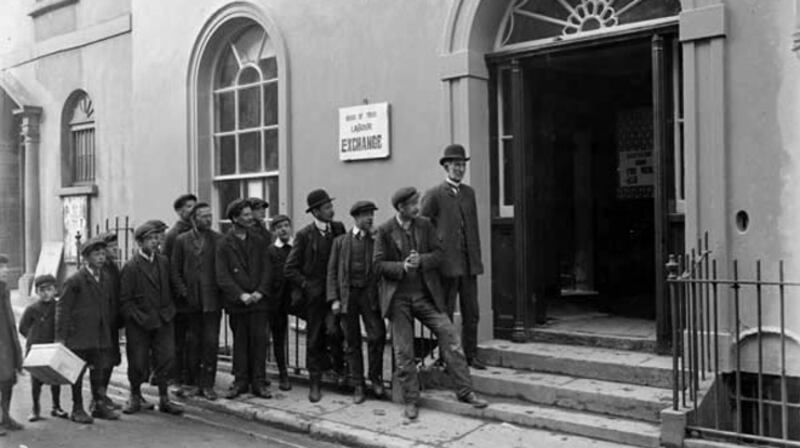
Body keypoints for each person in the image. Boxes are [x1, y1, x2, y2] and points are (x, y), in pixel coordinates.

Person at [374, 187, 488, 420]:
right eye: (413, 204)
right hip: (399, 300)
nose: (417, 207)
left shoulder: (425, 225)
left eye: (417, 203)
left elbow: (440, 254)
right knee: (404, 352)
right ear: (401, 208)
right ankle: (411, 400)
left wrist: (422, 261)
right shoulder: (385, 230)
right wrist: (402, 267)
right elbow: (377, 265)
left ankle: (465, 392)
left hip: (425, 296)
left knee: (450, 337)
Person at [420, 144, 486, 369]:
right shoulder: (435, 194)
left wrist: (476, 258)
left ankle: (471, 355)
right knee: (445, 312)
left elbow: (472, 227)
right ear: (446, 166)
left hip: (469, 263)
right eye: (456, 165)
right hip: (447, 265)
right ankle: (446, 357)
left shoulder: (469, 193)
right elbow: (423, 225)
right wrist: (434, 251)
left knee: (472, 312)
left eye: (462, 165)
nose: (460, 169)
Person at [285, 189, 346, 402]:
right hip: (314, 298)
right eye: (327, 208)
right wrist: (306, 285)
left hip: (335, 294)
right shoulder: (304, 235)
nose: (332, 211)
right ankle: (315, 384)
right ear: (316, 212)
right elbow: (290, 268)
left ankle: (339, 370)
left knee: (335, 331)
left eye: (331, 206)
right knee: (314, 339)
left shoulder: (339, 229)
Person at [119, 222, 183, 415]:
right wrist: (140, 318)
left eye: (157, 238)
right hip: (140, 323)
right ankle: (135, 396)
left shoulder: (164, 261)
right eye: (151, 239)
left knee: (166, 359)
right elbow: (125, 300)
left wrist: (170, 310)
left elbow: (173, 287)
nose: (155, 242)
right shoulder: (131, 267)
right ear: (140, 242)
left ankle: (164, 398)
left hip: (163, 319)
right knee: (137, 361)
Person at [327, 201, 386, 404]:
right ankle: (358, 383)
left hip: (369, 295)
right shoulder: (341, 242)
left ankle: (375, 378)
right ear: (355, 218)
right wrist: (334, 298)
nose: (370, 218)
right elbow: (332, 272)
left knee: (377, 335)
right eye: (365, 215)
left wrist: (378, 239)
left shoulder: (376, 240)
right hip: (348, 295)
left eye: (371, 214)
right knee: (351, 341)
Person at [56, 238, 120, 423]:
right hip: (80, 335)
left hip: (100, 334)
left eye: (103, 254)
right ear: (86, 258)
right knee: (77, 372)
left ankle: (98, 405)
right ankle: (77, 408)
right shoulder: (75, 280)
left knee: (99, 371)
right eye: (96, 254)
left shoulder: (106, 278)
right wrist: (60, 338)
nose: (101, 258)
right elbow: (63, 309)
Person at [215, 199, 272, 399]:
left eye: (250, 214)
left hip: (259, 302)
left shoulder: (259, 240)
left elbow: (267, 268)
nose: (250, 218)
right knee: (240, 343)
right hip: (238, 304)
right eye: (246, 215)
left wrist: (260, 292)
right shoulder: (223, 243)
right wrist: (241, 295)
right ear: (235, 218)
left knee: (259, 341)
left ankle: (258, 382)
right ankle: (240, 382)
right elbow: (222, 276)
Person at [170, 202, 223, 400]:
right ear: (194, 219)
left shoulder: (218, 239)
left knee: (211, 343)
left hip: (212, 302)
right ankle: (191, 382)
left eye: (210, 216)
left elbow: (223, 270)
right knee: (192, 343)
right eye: (203, 216)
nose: (208, 220)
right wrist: (183, 292)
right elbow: (174, 270)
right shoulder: (181, 240)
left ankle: (207, 384)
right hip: (190, 303)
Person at [18, 274, 68, 422]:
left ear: (55, 290)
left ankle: (56, 406)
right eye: (42, 290)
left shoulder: (59, 307)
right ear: (37, 292)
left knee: (55, 378)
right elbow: (23, 328)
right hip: (36, 349)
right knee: (36, 380)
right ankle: (35, 409)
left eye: (49, 289)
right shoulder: (32, 309)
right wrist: (33, 340)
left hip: (53, 347)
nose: (46, 293)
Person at [164, 194, 197, 394]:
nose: (193, 210)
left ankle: (191, 374)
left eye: (195, 206)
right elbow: (170, 266)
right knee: (180, 338)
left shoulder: (197, 231)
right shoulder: (174, 234)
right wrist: (180, 291)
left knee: (193, 338)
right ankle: (177, 375)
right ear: (179, 211)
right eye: (189, 207)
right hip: (180, 296)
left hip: (196, 296)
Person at [96, 232, 126, 411]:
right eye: (112, 247)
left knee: (111, 360)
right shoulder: (100, 270)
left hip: (112, 322)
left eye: (117, 246)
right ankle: (98, 398)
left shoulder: (113, 267)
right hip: (102, 324)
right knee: (102, 362)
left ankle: (103, 394)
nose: (116, 249)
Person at [265, 214, 294, 391]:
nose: (283, 229)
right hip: (277, 299)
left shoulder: (297, 246)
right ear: (274, 231)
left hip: (298, 297)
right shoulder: (271, 251)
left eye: (286, 225)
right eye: (279, 227)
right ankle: (283, 373)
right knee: (278, 337)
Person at [0, 254, 24, 435]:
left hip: (6, 340)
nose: (5, 271)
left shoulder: (5, 289)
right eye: (1, 268)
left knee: (8, 380)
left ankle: (5, 416)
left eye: (5, 267)